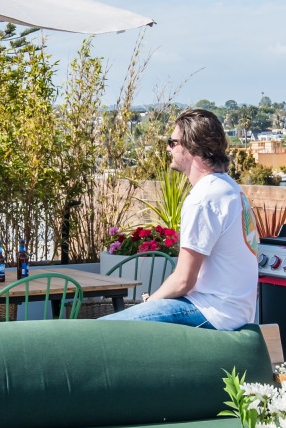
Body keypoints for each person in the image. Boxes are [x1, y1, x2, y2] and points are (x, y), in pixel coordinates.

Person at [102, 108, 258, 330]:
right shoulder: (229, 188)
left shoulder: (204, 198)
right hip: (233, 311)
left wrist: (149, 302)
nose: (168, 148)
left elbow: (184, 280)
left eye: (172, 142)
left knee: (100, 331)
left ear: (191, 147)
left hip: (212, 311)